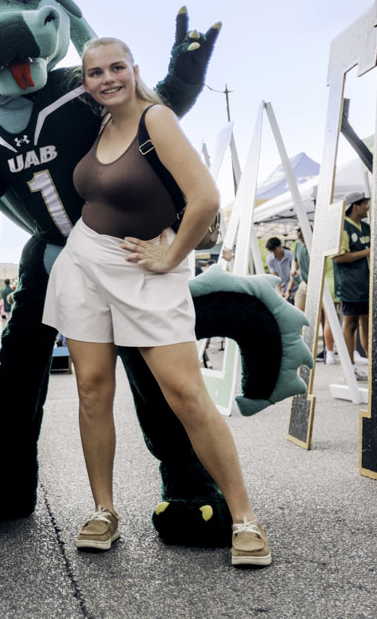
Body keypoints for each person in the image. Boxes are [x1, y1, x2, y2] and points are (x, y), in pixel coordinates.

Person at [43, 37, 269, 566]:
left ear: (134, 69)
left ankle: (244, 518)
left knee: (186, 394)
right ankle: (104, 510)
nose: (106, 79)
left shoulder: (156, 119)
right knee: (93, 390)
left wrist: (170, 257)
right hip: (83, 263)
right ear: (86, 82)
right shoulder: (101, 123)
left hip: (146, 269)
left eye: (115, 67)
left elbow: (206, 197)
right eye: (94, 72)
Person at [333, 191, 371, 366]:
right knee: (350, 324)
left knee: (367, 324)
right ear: (355, 206)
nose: (367, 207)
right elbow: (339, 257)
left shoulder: (366, 227)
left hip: (366, 282)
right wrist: (367, 252)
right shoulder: (343, 228)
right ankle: (349, 367)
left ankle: (373, 365)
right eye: (365, 204)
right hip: (350, 284)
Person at [264, 237, 297, 304]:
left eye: (275, 250)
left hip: (294, 288)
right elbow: (275, 278)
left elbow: (293, 276)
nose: (273, 253)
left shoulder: (291, 256)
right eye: (271, 251)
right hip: (281, 288)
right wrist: (280, 292)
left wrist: (288, 290)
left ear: (280, 246)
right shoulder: (270, 259)